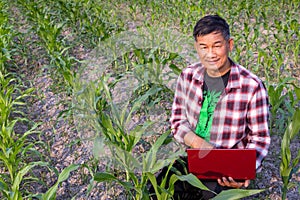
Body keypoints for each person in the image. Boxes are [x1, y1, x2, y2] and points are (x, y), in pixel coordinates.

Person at [167, 14, 271, 199]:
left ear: (229, 45)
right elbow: (177, 121)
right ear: (196, 48)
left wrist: (243, 171)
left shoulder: (251, 86)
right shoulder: (188, 76)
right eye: (204, 47)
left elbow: (260, 138)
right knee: (156, 192)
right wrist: (199, 143)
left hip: (224, 168)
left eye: (217, 45)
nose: (211, 54)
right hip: (189, 156)